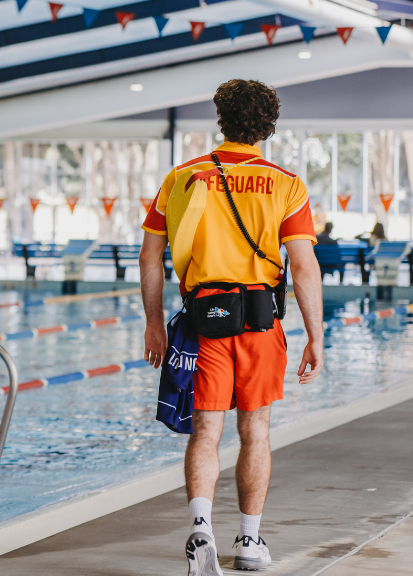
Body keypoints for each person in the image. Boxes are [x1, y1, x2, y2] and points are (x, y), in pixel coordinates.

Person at [139, 79, 323, 575]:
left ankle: (201, 530)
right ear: (268, 125)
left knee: (205, 430)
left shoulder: (182, 178)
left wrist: (154, 325)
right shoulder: (285, 183)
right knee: (255, 430)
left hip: (205, 322)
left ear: (221, 119)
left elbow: (150, 258)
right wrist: (315, 335)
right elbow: (304, 267)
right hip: (261, 325)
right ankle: (249, 539)